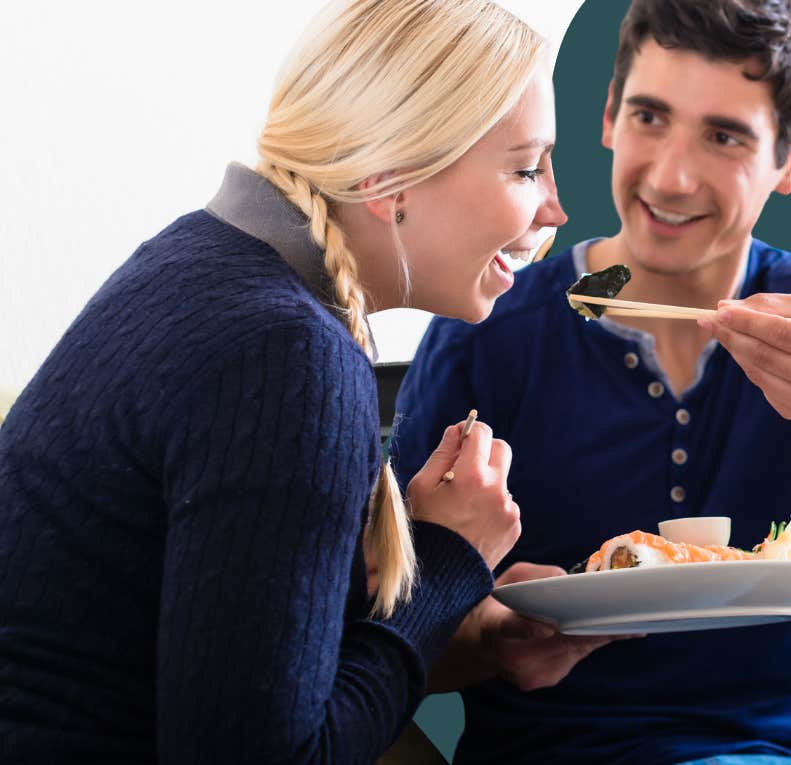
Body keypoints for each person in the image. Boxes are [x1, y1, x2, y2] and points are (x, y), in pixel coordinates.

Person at [392, 1, 791, 763]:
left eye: (725, 136)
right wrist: (487, 637)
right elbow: (388, 639)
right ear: (607, 116)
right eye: (649, 117)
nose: (670, 177)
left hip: (776, 750)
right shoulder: (489, 324)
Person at [0, 1, 566, 762]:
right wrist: (447, 562)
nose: (556, 207)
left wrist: (458, 625)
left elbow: (236, 673)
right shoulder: (291, 359)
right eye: (527, 167)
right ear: (393, 173)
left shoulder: (199, 259)